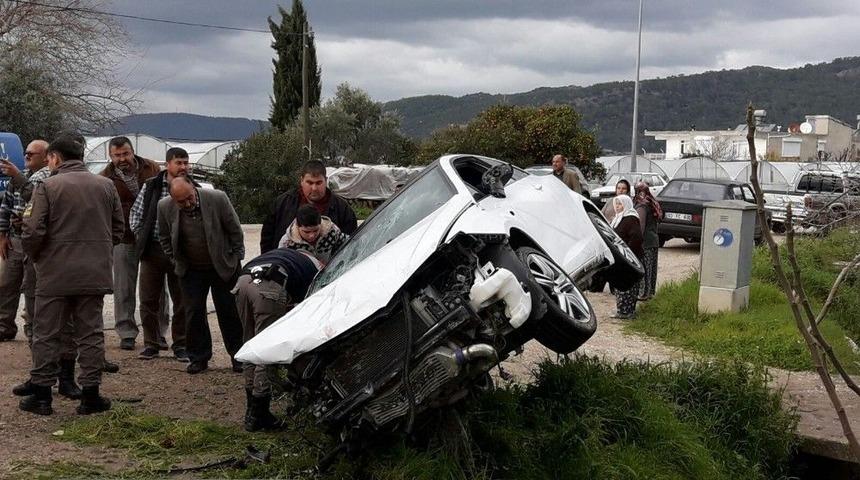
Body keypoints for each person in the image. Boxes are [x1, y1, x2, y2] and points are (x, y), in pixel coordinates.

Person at [20, 134, 124, 415]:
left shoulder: (47, 186)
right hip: (94, 273)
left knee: (46, 333)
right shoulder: (106, 185)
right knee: (90, 333)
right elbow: (118, 228)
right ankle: (90, 395)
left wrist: (38, 257)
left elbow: (32, 230)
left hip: (54, 273)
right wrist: (99, 252)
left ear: (55, 158)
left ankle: (42, 396)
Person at [157, 176, 244, 374]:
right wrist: (174, 259)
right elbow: (164, 236)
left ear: (194, 188)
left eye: (190, 198)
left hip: (222, 266)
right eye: (181, 202)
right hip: (190, 270)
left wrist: (236, 257)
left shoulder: (217, 198)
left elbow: (235, 230)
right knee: (193, 313)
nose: (188, 204)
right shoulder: (164, 207)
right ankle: (198, 358)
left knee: (230, 311)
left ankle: (238, 356)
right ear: (172, 198)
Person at [233, 248, 321, 431]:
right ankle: (259, 412)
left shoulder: (284, 255)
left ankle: (251, 409)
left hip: (243, 283)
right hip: (269, 288)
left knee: (250, 344)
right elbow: (306, 308)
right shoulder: (312, 269)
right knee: (266, 350)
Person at [129, 148, 194, 361]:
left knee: (182, 300)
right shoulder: (151, 186)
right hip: (153, 250)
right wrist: (142, 235)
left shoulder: (193, 187)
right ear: (168, 165)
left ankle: (181, 344)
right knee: (148, 300)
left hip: (181, 252)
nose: (183, 167)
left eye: (186, 162)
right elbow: (135, 214)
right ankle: (151, 344)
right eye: (179, 163)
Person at [99, 137, 161, 350]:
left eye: (125, 154)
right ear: (110, 156)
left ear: (133, 152)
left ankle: (158, 333)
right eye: (117, 155)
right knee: (123, 287)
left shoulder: (151, 168)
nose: (122, 159)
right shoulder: (105, 178)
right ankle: (126, 332)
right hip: (123, 237)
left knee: (157, 287)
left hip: (152, 235)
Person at [260, 160, 357, 253]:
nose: (314, 188)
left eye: (318, 183)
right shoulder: (282, 204)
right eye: (310, 183)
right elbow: (267, 240)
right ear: (301, 181)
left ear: (326, 180)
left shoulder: (342, 209)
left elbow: (351, 244)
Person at [277, 204, 349, 265]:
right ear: (297, 226)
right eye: (306, 232)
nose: (312, 235)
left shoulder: (332, 231)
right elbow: (280, 264)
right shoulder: (287, 243)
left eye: (316, 230)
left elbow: (348, 244)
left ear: (321, 224)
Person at [610, 196, 644, 319]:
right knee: (620, 284)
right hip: (620, 258)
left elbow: (637, 238)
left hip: (630, 259)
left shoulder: (631, 218)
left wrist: (628, 253)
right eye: (616, 204)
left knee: (629, 285)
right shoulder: (618, 218)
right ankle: (621, 310)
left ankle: (628, 311)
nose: (617, 206)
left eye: (620, 204)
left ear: (626, 204)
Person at [634, 181, 662, 301]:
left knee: (645, 268)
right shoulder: (652, 202)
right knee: (651, 268)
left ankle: (643, 293)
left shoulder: (642, 206)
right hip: (653, 240)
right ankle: (650, 292)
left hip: (645, 242)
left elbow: (641, 225)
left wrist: (637, 240)